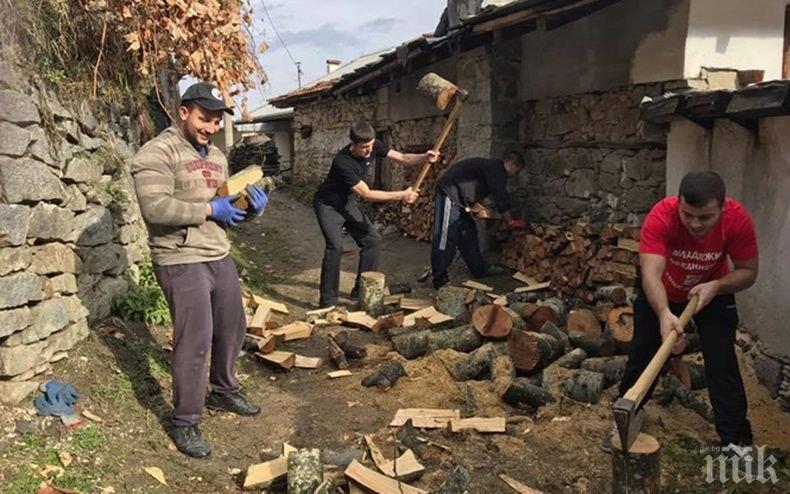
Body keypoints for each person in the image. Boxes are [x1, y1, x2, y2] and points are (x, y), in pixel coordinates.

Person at [131, 82, 268, 458]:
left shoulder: (218, 157)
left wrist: (248, 210)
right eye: (204, 119)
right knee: (196, 338)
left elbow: (226, 211)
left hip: (216, 252)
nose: (210, 128)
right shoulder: (156, 153)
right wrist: (210, 210)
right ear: (183, 112)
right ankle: (186, 420)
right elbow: (156, 208)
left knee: (232, 325)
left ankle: (223, 391)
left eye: (215, 121)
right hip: (179, 256)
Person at [602, 171, 759, 458]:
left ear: (722, 209)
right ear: (679, 204)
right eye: (688, 215)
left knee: (721, 358)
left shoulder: (737, 220)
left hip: (712, 290)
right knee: (643, 353)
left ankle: (736, 439)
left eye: (705, 217)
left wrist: (717, 285)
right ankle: (624, 419)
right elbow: (651, 273)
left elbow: (749, 272)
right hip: (662, 291)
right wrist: (663, 313)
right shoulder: (662, 215)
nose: (695, 224)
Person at [314, 121, 438, 308]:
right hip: (328, 206)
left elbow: (403, 158)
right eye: (364, 147)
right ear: (352, 144)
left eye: (371, 146)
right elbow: (367, 194)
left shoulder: (373, 145)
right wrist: (401, 195)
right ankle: (328, 301)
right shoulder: (342, 162)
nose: (368, 151)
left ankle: (362, 291)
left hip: (347, 204)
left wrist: (424, 157)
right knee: (335, 248)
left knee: (372, 239)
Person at [430, 152, 526, 289]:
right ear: (511, 164)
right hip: (449, 193)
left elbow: (477, 187)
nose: (515, 174)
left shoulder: (491, 168)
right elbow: (501, 198)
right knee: (445, 236)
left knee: (468, 233)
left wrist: (477, 206)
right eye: (517, 170)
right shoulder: (498, 170)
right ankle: (440, 279)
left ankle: (479, 269)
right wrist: (511, 221)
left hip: (461, 200)